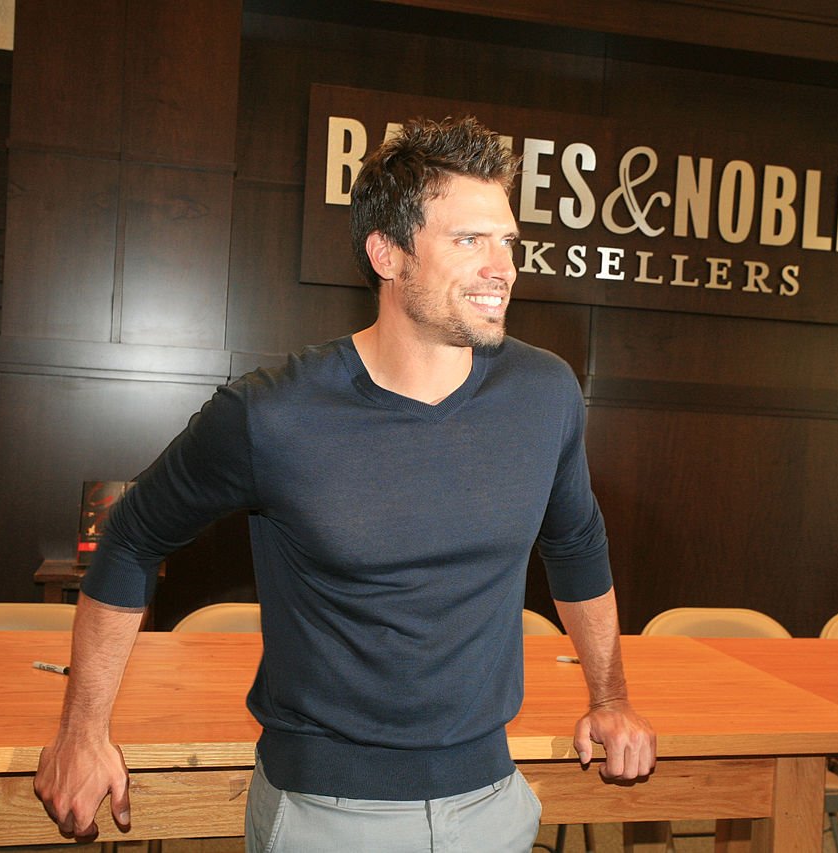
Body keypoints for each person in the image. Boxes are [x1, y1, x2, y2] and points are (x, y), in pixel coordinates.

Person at [33, 115, 656, 852]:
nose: (503, 266)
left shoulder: (545, 392)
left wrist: (611, 699)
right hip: (322, 815)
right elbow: (133, 532)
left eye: (507, 241)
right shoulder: (272, 412)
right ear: (387, 254)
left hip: (492, 802)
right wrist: (82, 728)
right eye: (469, 240)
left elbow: (578, 545)